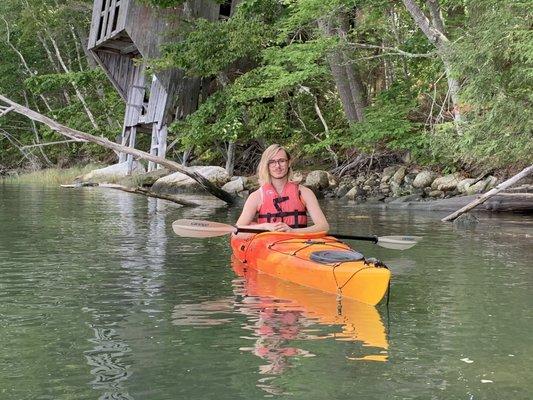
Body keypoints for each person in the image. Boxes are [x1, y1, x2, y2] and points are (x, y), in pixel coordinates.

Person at [235, 144, 329, 233]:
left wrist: (293, 231)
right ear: (266, 165)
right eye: (272, 162)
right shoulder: (257, 196)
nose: (277, 166)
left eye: (282, 161)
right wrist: (264, 226)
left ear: (289, 163)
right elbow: (237, 230)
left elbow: (323, 226)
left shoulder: (305, 193)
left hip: (298, 243)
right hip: (269, 245)